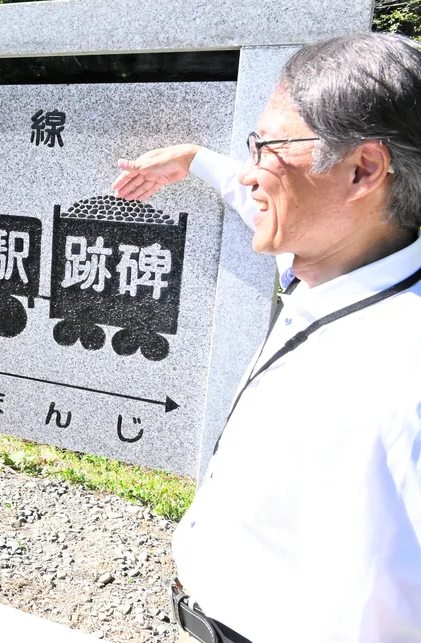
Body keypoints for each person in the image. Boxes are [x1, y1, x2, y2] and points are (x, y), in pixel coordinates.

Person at [112, 33, 421, 643]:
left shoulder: (403, 375)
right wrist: (195, 158)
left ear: (363, 170)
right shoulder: (337, 259)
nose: (251, 174)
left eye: (270, 148)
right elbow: (258, 195)